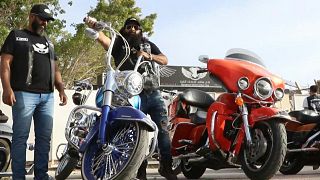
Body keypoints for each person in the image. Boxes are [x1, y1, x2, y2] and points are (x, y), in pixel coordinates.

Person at [85, 17, 177, 180]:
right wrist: (95, 27)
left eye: (136, 27)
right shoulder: (119, 45)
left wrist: (148, 56)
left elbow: (164, 59)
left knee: (163, 131)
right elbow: (104, 39)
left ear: (140, 30)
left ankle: (167, 166)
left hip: (153, 92)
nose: (133, 29)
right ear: (123, 30)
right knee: (133, 131)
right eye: (129, 27)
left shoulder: (148, 44)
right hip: (132, 94)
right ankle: (139, 170)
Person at [0, 4, 67, 180]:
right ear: (31, 17)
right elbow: (5, 63)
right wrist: (7, 88)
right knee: (20, 137)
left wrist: (61, 88)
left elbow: (56, 68)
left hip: (47, 97)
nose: (44, 23)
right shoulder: (17, 35)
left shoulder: (49, 42)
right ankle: (19, 177)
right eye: (41, 18)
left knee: (44, 139)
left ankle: (41, 175)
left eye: (47, 20)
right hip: (23, 94)